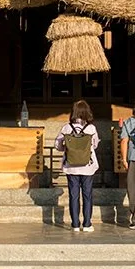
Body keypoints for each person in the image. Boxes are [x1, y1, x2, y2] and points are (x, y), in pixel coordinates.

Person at [55, 99, 99, 232]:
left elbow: (57, 145)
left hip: (71, 166)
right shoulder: (91, 128)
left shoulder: (66, 128)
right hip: (88, 166)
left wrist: (68, 149)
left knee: (74, 195)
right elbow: (95, 145)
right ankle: (87, 224)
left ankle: (74, 224)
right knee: (87, 195)